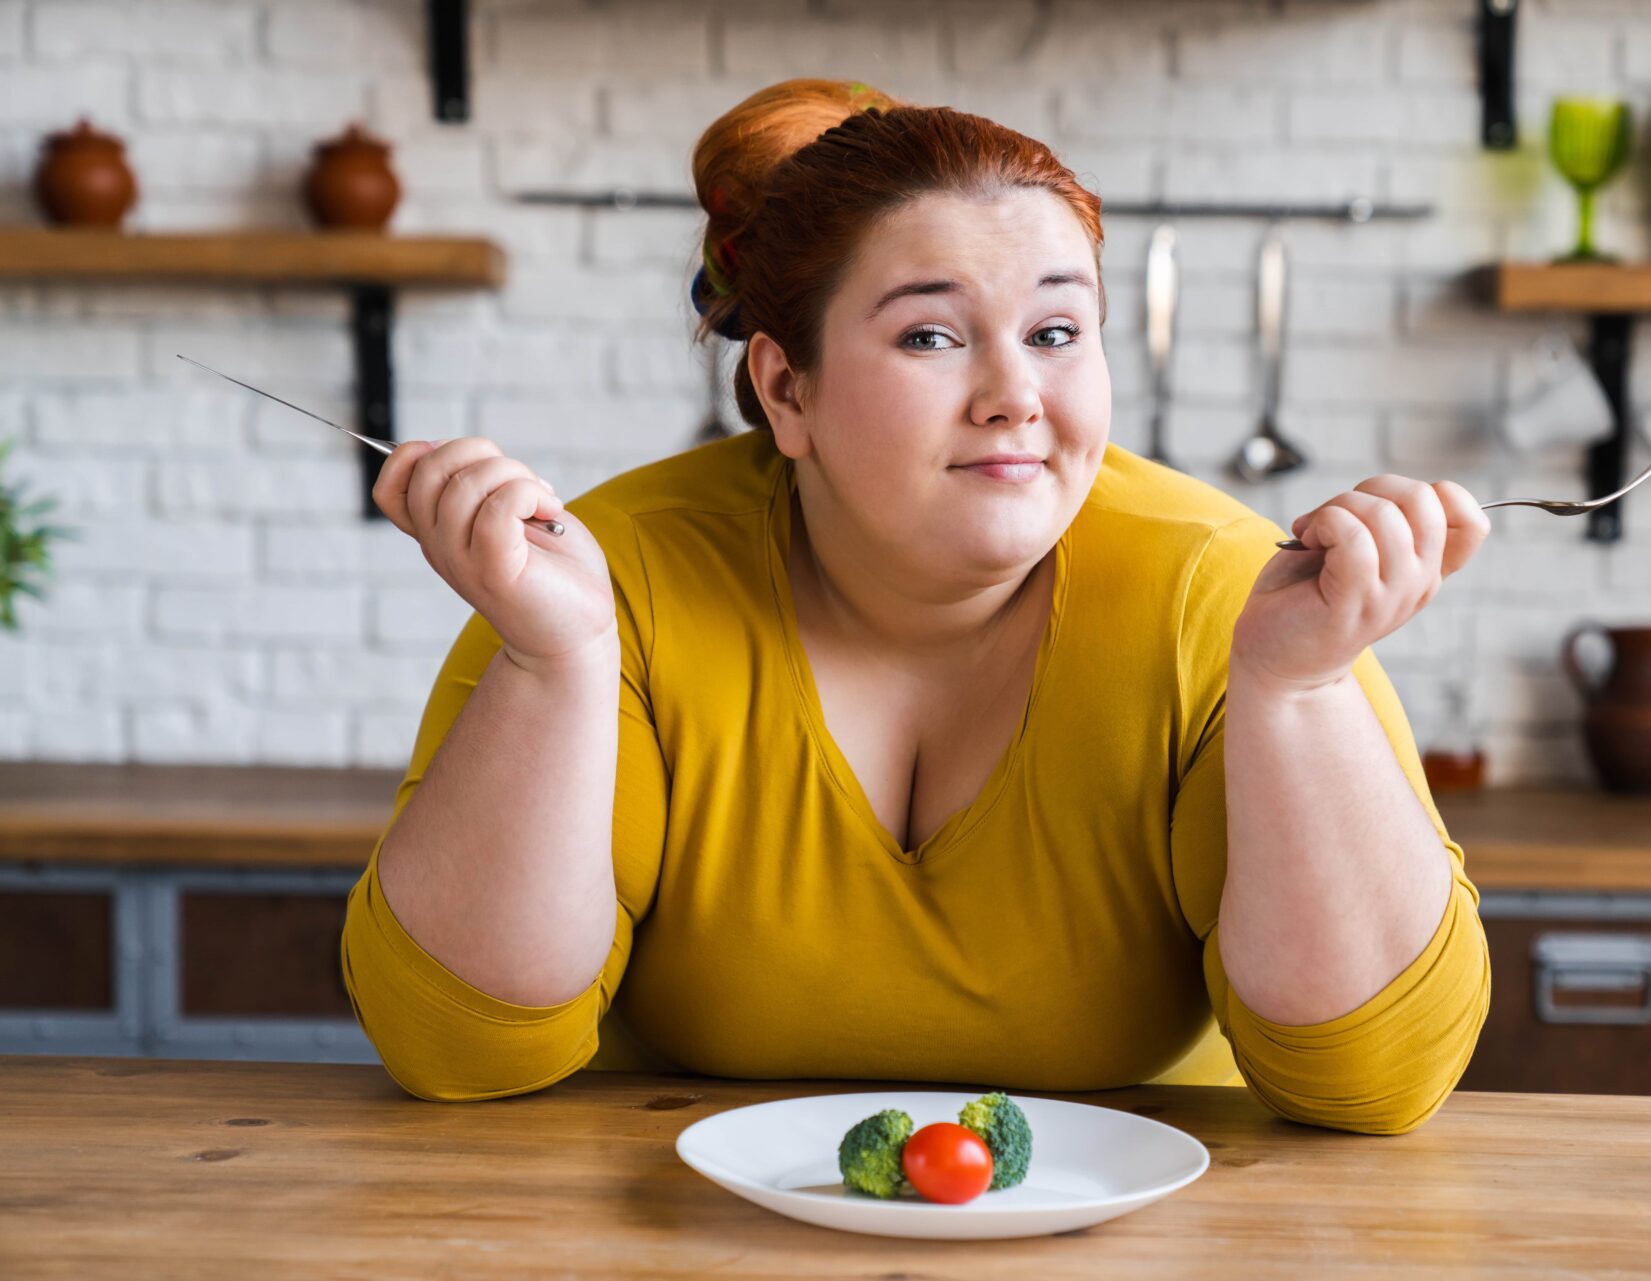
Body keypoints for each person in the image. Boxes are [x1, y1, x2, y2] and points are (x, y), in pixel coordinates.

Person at [340, 79, 1493, 1136]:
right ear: (787, 388)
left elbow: (1374, 1081)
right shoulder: (602, 583)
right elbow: (457, 1052)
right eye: (932, 336)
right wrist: (556, 666)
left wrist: (1297, 693)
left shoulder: (1227, 591)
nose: (1014, 398)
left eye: (1055, 333)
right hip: (685, 1235)